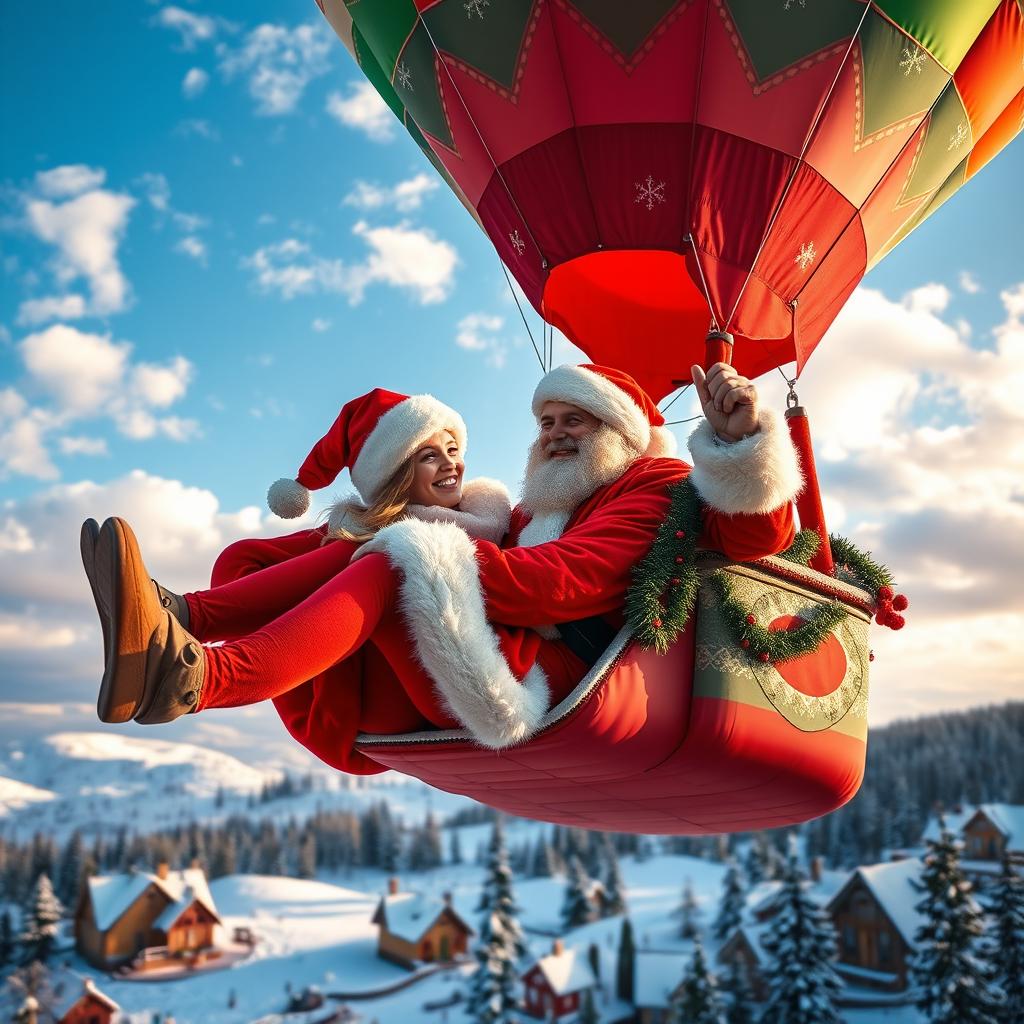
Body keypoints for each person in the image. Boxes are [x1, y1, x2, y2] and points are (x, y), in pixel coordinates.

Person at [81, 361, 803, 773]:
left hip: (547, 684)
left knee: (406, 558)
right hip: (477, 667)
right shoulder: (539, 507)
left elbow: (561, 582)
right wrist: (389, 526)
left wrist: (741, 446)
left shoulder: (652, 487)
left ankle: (198, 677)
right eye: (546, 422)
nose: (553, 434)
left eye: (572, 420)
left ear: (617, 430)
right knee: (375, 545)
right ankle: (175, 615)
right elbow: (497, 556)